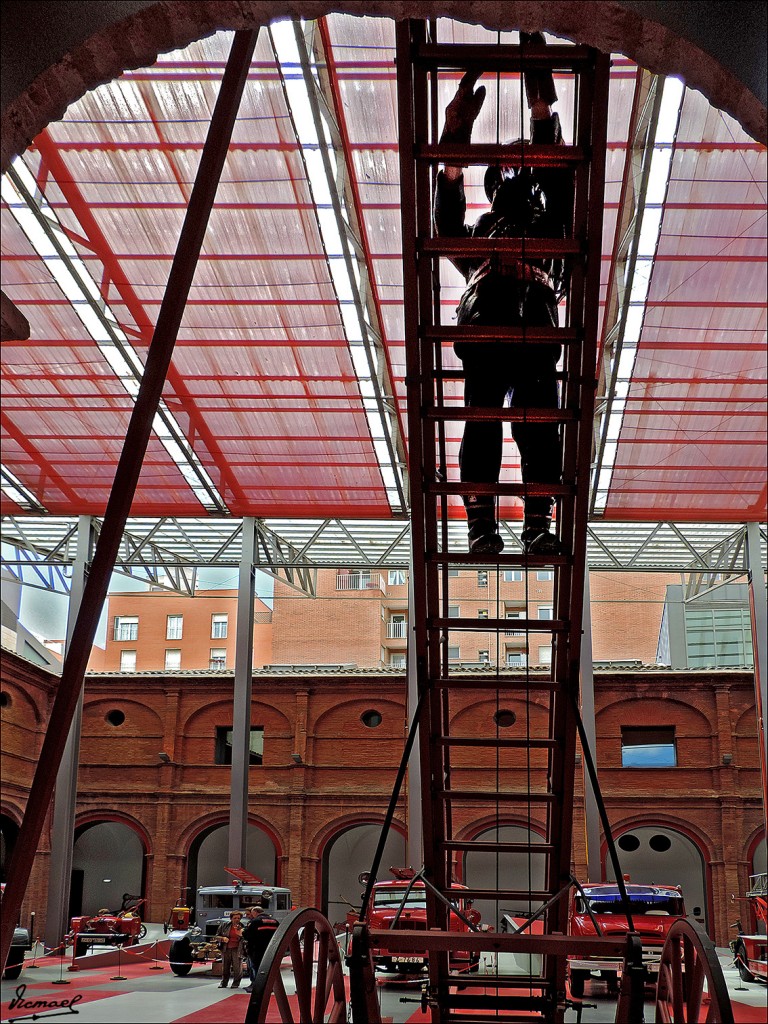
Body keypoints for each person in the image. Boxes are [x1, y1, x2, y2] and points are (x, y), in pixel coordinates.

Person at [434, 33, 572, 556]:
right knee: (485, 425)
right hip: (490, 325)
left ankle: (536, 524)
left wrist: (542, 110)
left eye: (524, 168)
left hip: (531, 328)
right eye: (505, 171)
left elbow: (560, 184)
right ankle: (482, 527)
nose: (514, 175)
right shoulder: (481, 237)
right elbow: (445, 221)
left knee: (536, 430)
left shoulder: (552, 227)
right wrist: (454, 143)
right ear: (492, 188)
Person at [241, 891, 280, 994]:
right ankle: (269, 986)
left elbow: (247, 935)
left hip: (256, 949)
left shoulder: (255, 922)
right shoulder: (275, 921)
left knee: (256, 968)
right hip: (271, 948)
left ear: (255, 913)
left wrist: (242, 932)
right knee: (269, 968)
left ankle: (258, 986)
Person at [215, 910, 244, 988]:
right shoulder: (224, 925)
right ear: (231, 918)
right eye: (235, 918)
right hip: (226, 948)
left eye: (238, 918)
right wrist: (223, 938)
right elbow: (216, 936)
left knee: (237, 967)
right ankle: (224, 982)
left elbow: (246, 938)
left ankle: (236, 983)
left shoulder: (243, 926)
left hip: (237, 949)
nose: (237, 920)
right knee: (225, 967)